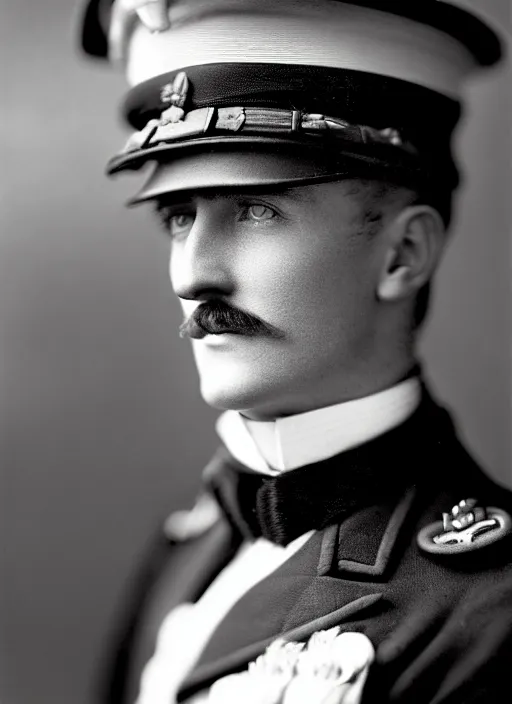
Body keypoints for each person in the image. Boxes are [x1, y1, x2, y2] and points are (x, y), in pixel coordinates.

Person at [80, 1, 512, 702]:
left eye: (256, 209)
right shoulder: (193, 541)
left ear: (403, 253)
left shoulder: (487, 613)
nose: (192, 275)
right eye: (179, 215)